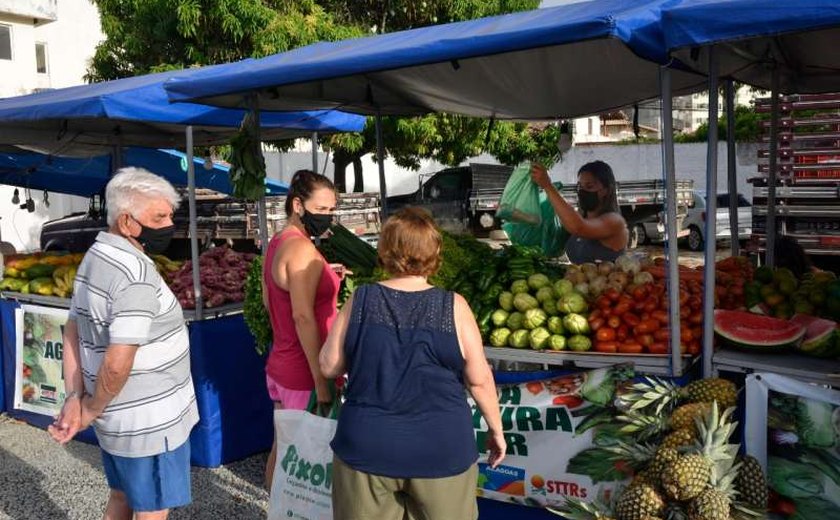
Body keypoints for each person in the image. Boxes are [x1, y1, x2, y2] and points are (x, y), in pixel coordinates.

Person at [319, 207, 506, 520]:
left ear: (386, 251)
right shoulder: (454, 306)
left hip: (367, 446)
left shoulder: (362, 299)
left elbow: (329, 365)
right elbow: (479, 380)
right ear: (434, 253)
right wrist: (496, 430)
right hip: (441, 448)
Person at [48, 167, 199, 520]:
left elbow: (72, 329)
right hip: (149, 425)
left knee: (121, 497)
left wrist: (77, 398)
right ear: (127, 222)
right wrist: (90, 408)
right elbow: (117, 363)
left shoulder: (95, 257)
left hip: (119, 421)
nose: (168, 225)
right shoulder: (135, 275)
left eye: (170, 215)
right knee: (151, 511)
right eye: (159, 217)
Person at [262, 169, 346, 489]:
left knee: (282, 447)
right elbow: (302, 317)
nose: (328, 217)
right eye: (321, 210)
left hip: (282, 363)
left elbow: (273, 304)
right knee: (308, 469)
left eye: (331, 210)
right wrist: (321, 380)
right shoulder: (302, 251)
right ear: (298, 205)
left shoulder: (278, 243)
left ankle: (276, 510)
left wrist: (326, 274)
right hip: (304, 373)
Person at [531, 160, 628, 263]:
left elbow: (578, 227)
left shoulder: (614, 222)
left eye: (589, 186)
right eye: (580, 186)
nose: (582, 191)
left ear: (606, 190)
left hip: (607, 278)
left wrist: (547, 186)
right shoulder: (582, 216)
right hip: (578, 277)